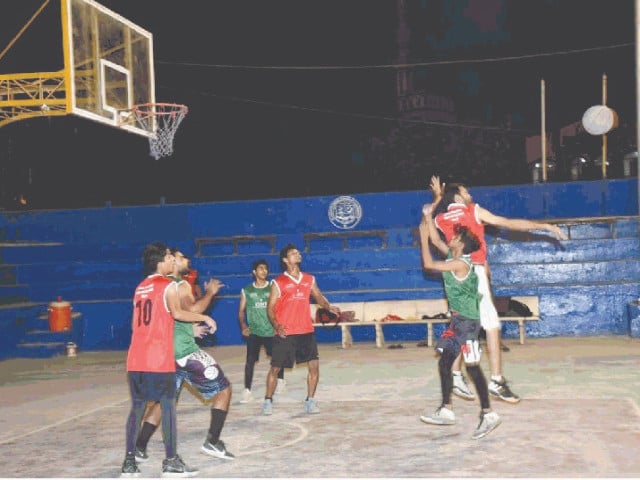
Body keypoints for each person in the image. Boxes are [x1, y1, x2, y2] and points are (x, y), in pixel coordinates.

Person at [428, 176, 567, 403]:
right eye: (466, 192)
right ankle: (496, 381)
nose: (470, 195)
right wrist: (544, 226)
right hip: (474, 273)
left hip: (455, 275)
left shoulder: (441, 218)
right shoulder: (472, 211)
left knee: (462, 326)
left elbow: (435, 241)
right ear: (458, 197)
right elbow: (507, 222)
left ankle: (455, 375)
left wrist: (434, 202)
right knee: (492, 326)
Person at [121, 242, 217, 478]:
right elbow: (178, 313)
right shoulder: (168, 285)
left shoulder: (140, 287)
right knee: (167, 406)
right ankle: (171, 462)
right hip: (158, 357)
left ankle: (129, 463)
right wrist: (203, 316)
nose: (173, 260)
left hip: (136, 357)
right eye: (169, 257)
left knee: (137, 408)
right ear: (160, 261)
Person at [133, 247, 235, 465]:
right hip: (185, 352)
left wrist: (190, 329)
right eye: (178, 257)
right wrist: (209, 295)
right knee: (224, 389)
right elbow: (191, 309)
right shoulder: (177, 285)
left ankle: (139, 447)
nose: (183, 259)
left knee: (162, 402)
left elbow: (171, 318)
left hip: (165, 353)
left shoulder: (150, 286)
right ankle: (213, 442)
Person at [418, 208, 501, 439]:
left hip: (468, 324)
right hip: (457, 322)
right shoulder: (454, 257)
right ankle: (446, 410)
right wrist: (427, 217)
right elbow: (436, 239)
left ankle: (488, 414)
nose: (450, 238)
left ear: (461, 245)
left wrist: (422, 239)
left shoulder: (460, 264)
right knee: (445, 363)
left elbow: (428, 264)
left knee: (473, 368)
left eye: (454, 238)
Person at [261, 243, 339, 416]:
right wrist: (276, 325)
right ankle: (268, 400)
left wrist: (328, 306)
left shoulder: (309, 279)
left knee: (314, 366)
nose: (298, 255)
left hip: (306, 330)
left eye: (298, 252)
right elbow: (270, 307)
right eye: (293, 253)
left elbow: (318, 296)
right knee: (275, 369)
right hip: (285, 332)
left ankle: (310, 401)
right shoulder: (278, 282)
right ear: (285, 260)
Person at [237, 259, 285, 404]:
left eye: (266, 268)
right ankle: (247, 390)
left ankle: (281, 380)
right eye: (260, 268)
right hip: (255, 332)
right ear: (254, 272)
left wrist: (279, 324)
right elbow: (240, 312)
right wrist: (243, 326)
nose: (264, 271)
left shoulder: (273, 287)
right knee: (249, 361)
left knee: (276, 358)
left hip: (271, 331)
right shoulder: (247, 291)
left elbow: (280, 307)